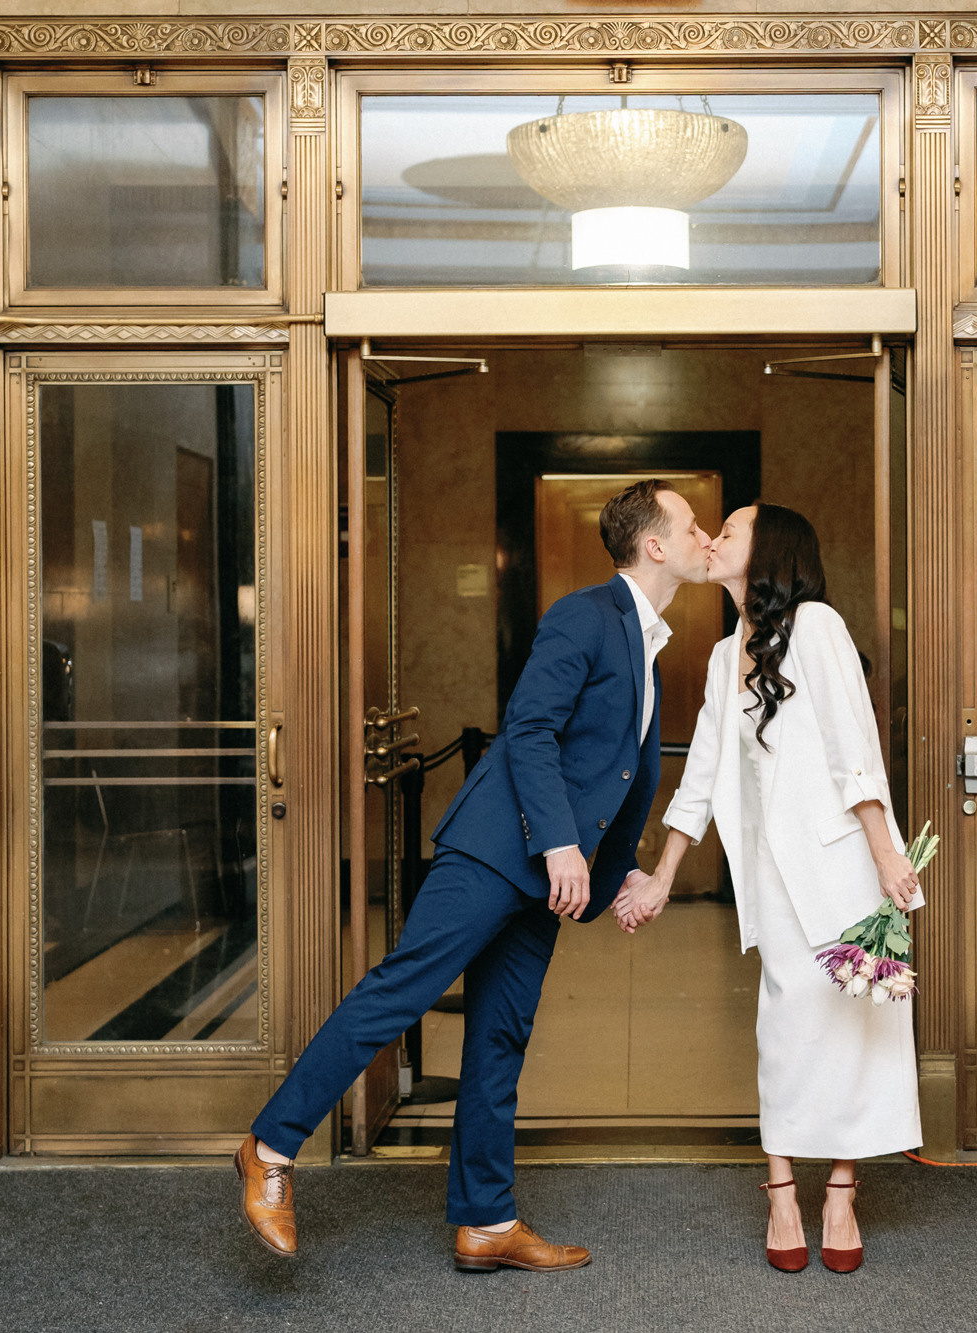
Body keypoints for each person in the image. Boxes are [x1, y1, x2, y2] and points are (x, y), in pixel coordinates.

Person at [235, 478, 710, 1273]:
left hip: (545, 873)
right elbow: (528, 730)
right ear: (654, 544)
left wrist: (620, 868)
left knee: (500, 1033)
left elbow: (613, 770)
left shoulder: (648, 641)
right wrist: (561, 845)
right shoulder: (586, 615)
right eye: (692, 526)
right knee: (402, 987)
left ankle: (487, 1220)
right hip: (499, 847)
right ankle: (270, 1147)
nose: (704, 536)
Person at [613, 503, 922, 1275]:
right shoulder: (724, 654)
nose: (714, 538)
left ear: (772, 549)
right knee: (785, 1028)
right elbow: (705, 774)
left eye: (733, 529)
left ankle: (841, 1193)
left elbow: (857, 748)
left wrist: (886, 854)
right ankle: (783, 1189)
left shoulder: (816, 626)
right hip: (774, 880)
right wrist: (661, 873)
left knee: (857, 1030)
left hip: (845, 863)